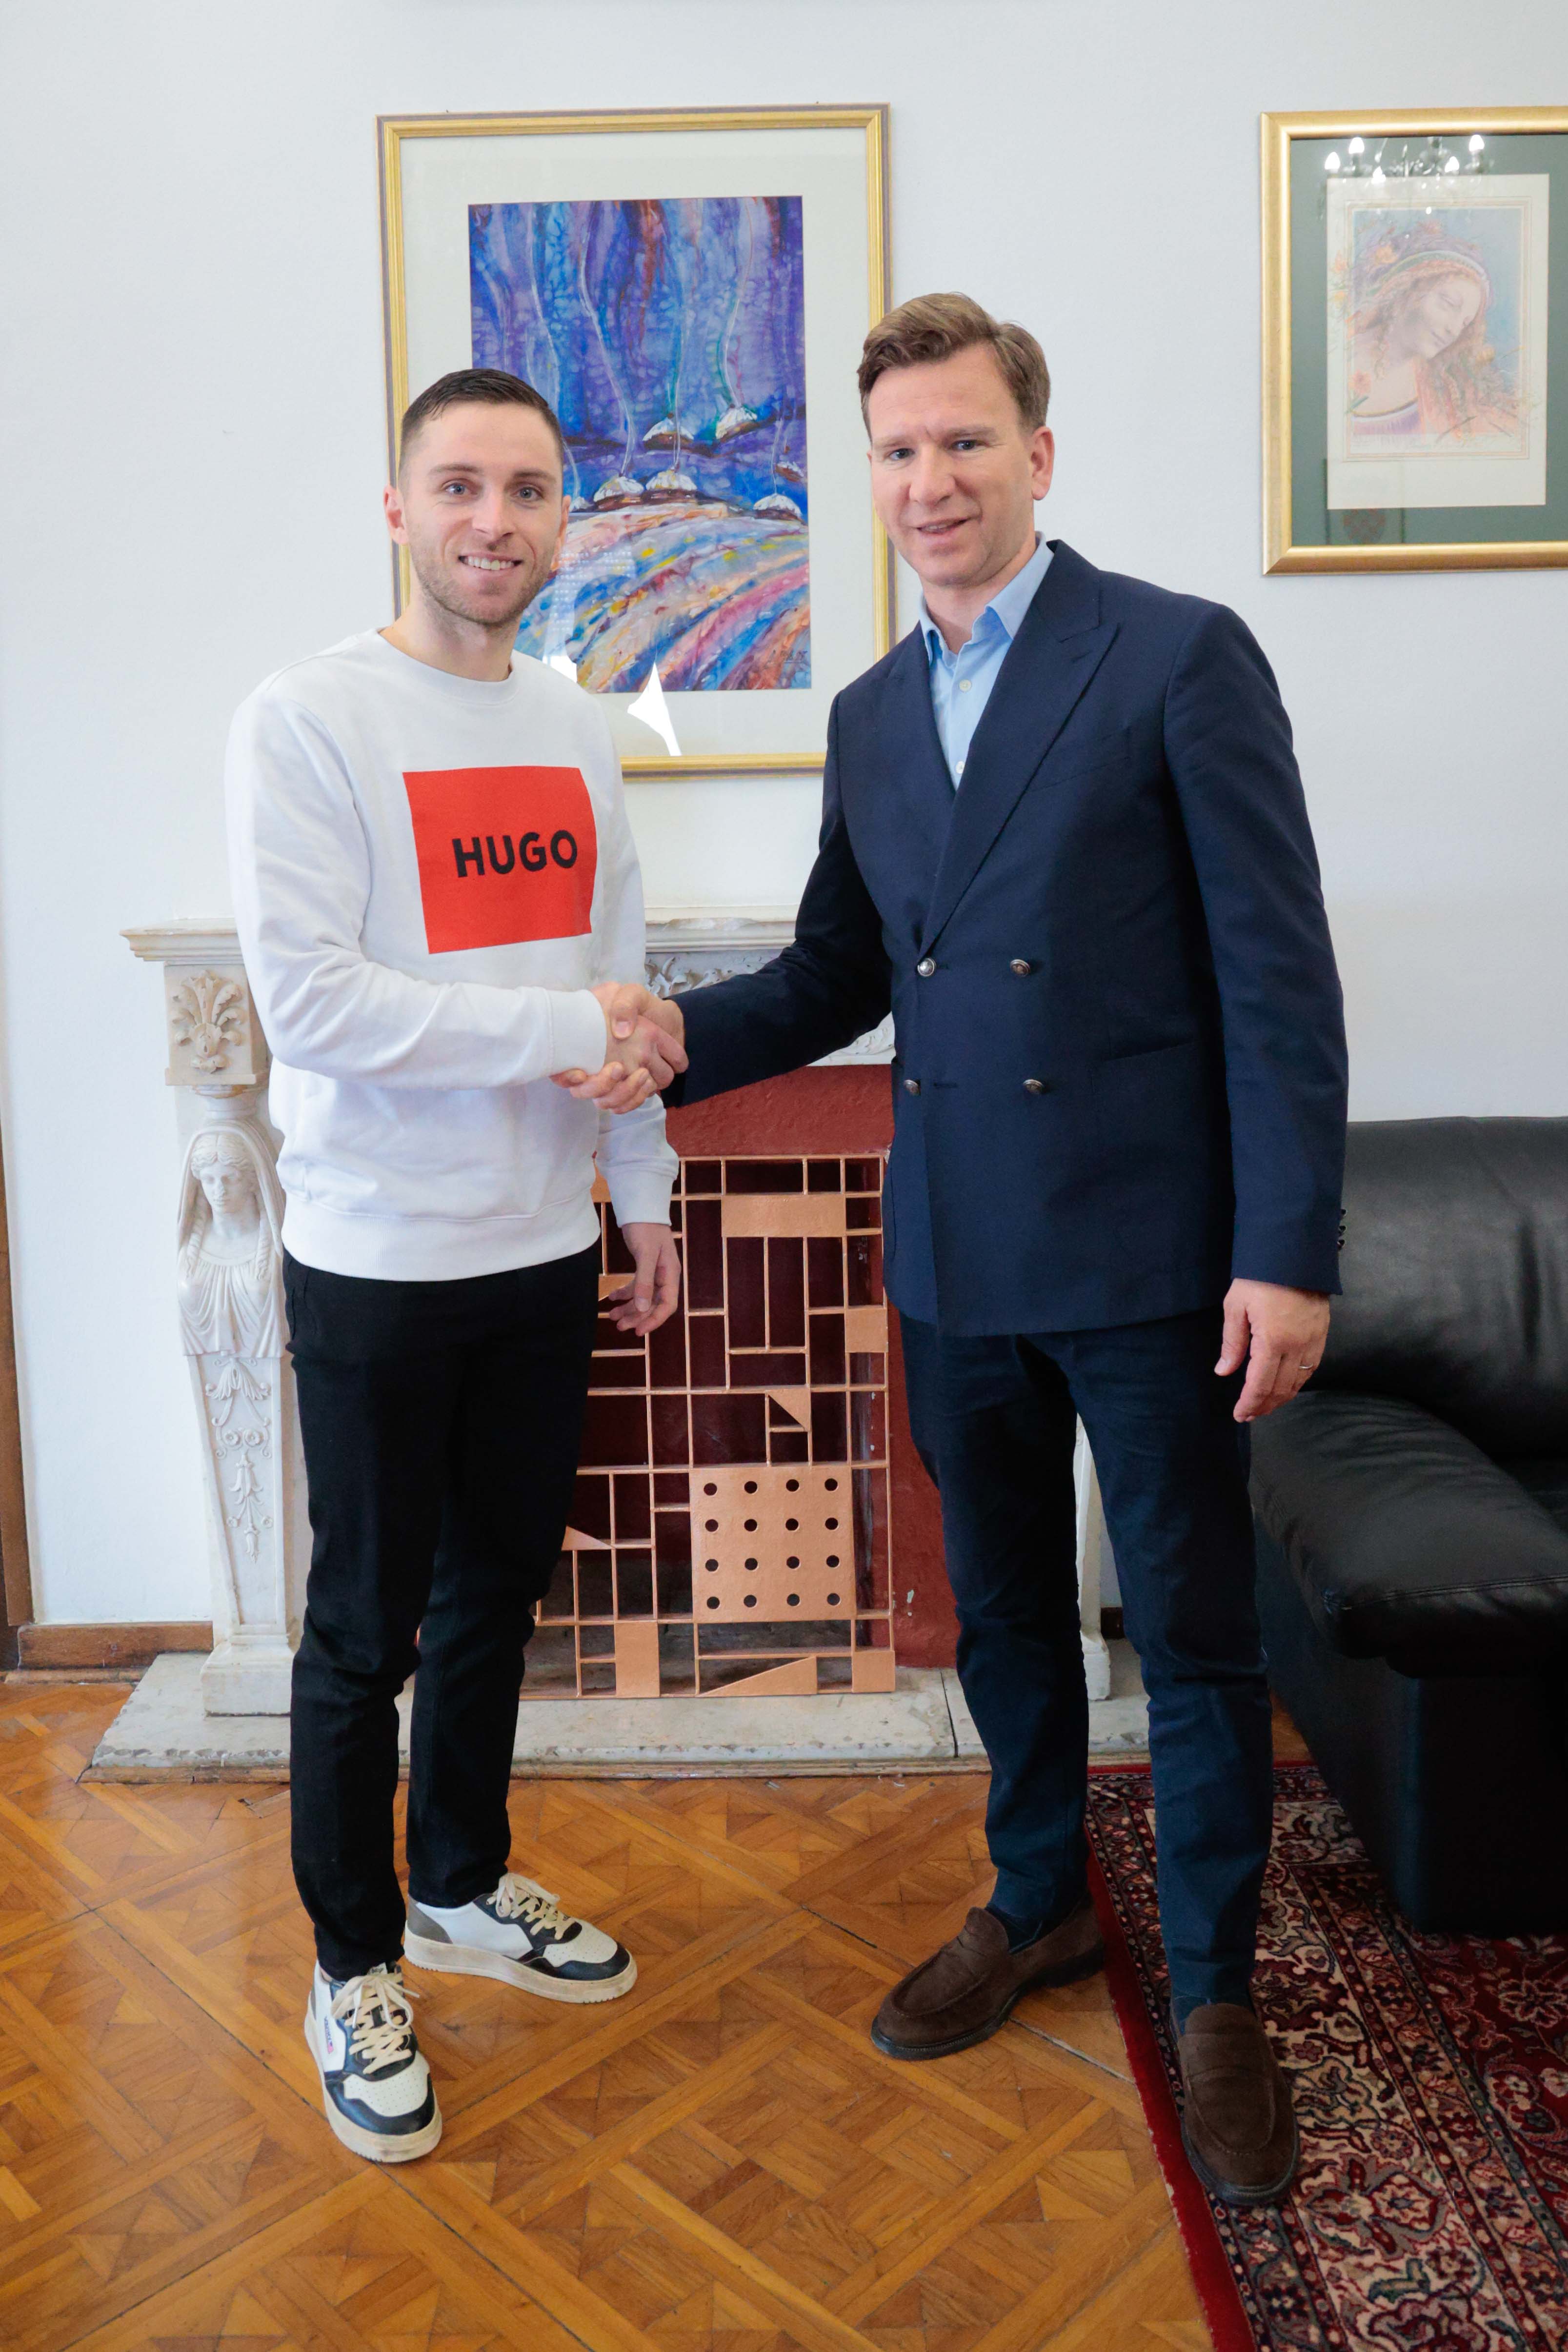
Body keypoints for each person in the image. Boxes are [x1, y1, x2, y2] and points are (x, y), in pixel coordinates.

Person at [641, 293, 1348, 2208]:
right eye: (899, 450)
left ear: (1039, 454)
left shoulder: (1176, 655)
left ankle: (1215, 1990)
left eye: (965, 441)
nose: (931, 479)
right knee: (1009, 1615)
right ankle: (1040, 1897)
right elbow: (839, 972)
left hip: (1156, 1254)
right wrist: (668, 1040)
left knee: (1191, 1636)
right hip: (955, 1251)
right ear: (868, 478)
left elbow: (1278, 981)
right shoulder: (873, 715)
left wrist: (1287, 1249)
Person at [227, 366, 687, 2165]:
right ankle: (353, 1962)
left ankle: (460, 1885)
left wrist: (642, 1194)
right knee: (363, 1629)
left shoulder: (575, 723)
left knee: (499, 1590)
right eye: (461, 485)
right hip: (373, 1255)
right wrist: (566, 1028)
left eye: (528, 490)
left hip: (539, 1246)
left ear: (566, 518)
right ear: (400, 509)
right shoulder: (307, 718)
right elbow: (315, 1007)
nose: (495, 520)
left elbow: (621, 975)